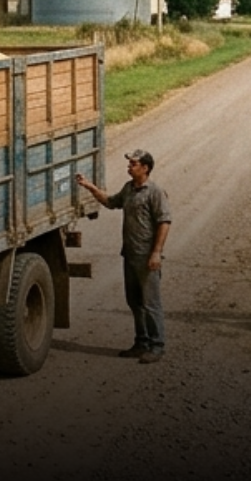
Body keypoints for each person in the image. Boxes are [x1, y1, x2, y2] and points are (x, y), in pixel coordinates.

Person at [76, 150, 172, 364]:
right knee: (135, 302)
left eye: (134, 164)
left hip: (147, 258)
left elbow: (164, 222)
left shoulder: (155, 192)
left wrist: (156, 253)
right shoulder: (129, 189)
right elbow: (111, 202)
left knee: (150, 303)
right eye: (129, 163)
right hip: (129, 255)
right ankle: (141, 343)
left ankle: (157, 346)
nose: (129, 167)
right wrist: (89, 186)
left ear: (145, 168)